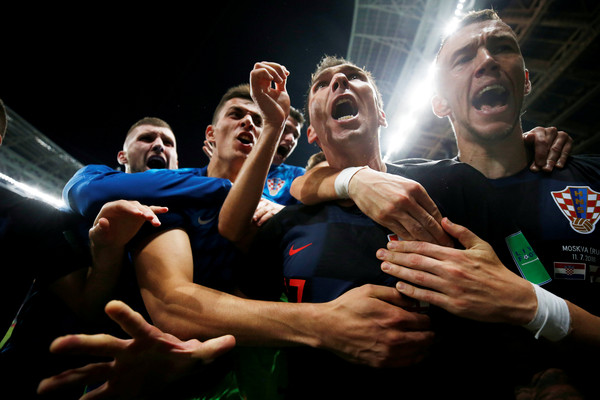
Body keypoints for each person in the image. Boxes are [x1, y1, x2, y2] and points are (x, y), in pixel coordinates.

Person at [290, 10, 599, 398]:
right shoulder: (421, 189)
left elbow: (530, 293)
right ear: (438, 102)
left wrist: (532, 306)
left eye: (502, 48)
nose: (486, 60)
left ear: (525, 78)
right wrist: (351, 177)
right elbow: (306, 182)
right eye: (464, 57)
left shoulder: (585, 177)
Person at [0, 101, 171, 397]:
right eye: (147, 138)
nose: (158, 145)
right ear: (122, 156)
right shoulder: (87, 192)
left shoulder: (190, 221)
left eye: (167, 142)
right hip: (35, 369)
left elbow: (89, 303)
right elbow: (87, 302)